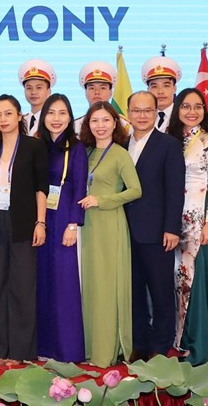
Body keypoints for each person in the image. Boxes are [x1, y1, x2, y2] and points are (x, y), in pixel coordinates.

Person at [0, 95, 48, 366]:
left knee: (22, 287)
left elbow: (41, 187)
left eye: (8, 114)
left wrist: (40, 222)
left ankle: (20, 351)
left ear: (19, 116)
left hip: (23, 223)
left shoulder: (34, 146)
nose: (3, 119)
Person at [78, 101, 142, 367]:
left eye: (106, 120)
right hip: (88, 227)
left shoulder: (119, 154)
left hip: (110, 224)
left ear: (115, 123)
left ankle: (107, 351)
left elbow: (135, 190)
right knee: (90, 287)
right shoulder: (86, 152)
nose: (100, 126)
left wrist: (102, 200)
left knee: (107, 288)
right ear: (88, 125)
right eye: (95, 121)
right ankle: (90, 347)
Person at [123, 91, 185, 361]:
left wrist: (171, 228)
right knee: (133, 291)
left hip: (158, 232)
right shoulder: (119, 144)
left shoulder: (168, 144)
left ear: (156, 112)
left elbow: (175, 190)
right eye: (136, 110)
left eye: (147, 110)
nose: (141, 115)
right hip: (124, 232)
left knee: (160, 292)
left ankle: (160, 347)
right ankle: (139, 343)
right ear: (128, 113)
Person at [166, 88, 208, 365]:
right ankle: (180, 343)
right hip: (172, 221)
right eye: (186, 106)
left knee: (198, 285)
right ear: (177, 109)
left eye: (198, 107)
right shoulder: (170, 140)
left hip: (200, 221)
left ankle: (200, 347)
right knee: (179, 282)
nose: (192, 112)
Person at [35, 93, 87, 362]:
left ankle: (67, 349)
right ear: (43, 116)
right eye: (51, 113)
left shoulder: (75, 147)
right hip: (40, 221)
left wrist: (74, 223)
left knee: (64, 283)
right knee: (41, 282)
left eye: (62, 113)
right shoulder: (35, 146)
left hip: (64, 217)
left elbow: (80, 186)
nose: (56, 119)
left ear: (70, 117)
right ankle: (42, 346)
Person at [74, 61, 131, 134]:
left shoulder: (124, 125)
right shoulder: (75, 126)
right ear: (86, 92)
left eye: (102, 88)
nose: (97, 92)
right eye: (92, 88)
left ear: (110, 93)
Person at [141, 56, 181, 133]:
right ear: (148, 91)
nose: (160, 91)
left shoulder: (183, 117)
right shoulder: (140, 118)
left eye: (166, 86)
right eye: (154, 86)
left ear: (174, 88)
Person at [18, 59, 55, 137]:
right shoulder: (20, 121)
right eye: (29, 88)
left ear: (49, 91)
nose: (33, 92)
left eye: (39, 87)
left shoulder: (54, 120)